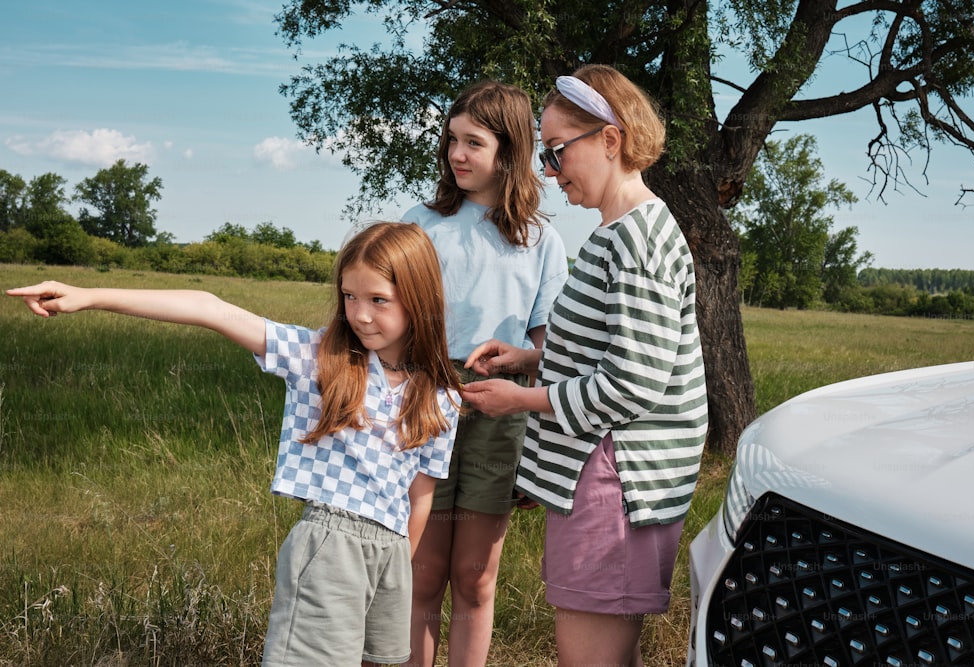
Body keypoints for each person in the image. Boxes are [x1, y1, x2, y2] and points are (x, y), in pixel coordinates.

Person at [7, 222, 463, 667]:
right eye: (349, 296)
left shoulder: (441, 395)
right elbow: (210, 307)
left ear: (420, 300)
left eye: (378, 300)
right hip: (331, 546)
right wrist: (89, 296)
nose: (359, 314)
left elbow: (419, 500)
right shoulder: (319, 358)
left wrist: (397, 567)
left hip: (390, 551)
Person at [461, 65, 709, 667]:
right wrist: (532, 356)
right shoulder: (618, 230)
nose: (548, 171)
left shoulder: (636, 240)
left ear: (609, 139)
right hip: (605, 476)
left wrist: (519, 399)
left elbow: (632, 382)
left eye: (556, 152)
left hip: (616, 483)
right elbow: (621, 347)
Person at [401, 80, 568, 666]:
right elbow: (390, 321)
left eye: (474, 142)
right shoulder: (421, 224)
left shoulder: (541, 238)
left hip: (500, 410)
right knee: (422, 577)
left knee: (474, 577)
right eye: (451, 140)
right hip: (424, 402)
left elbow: (552, 352)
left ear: (510, 150)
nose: (457, 154)